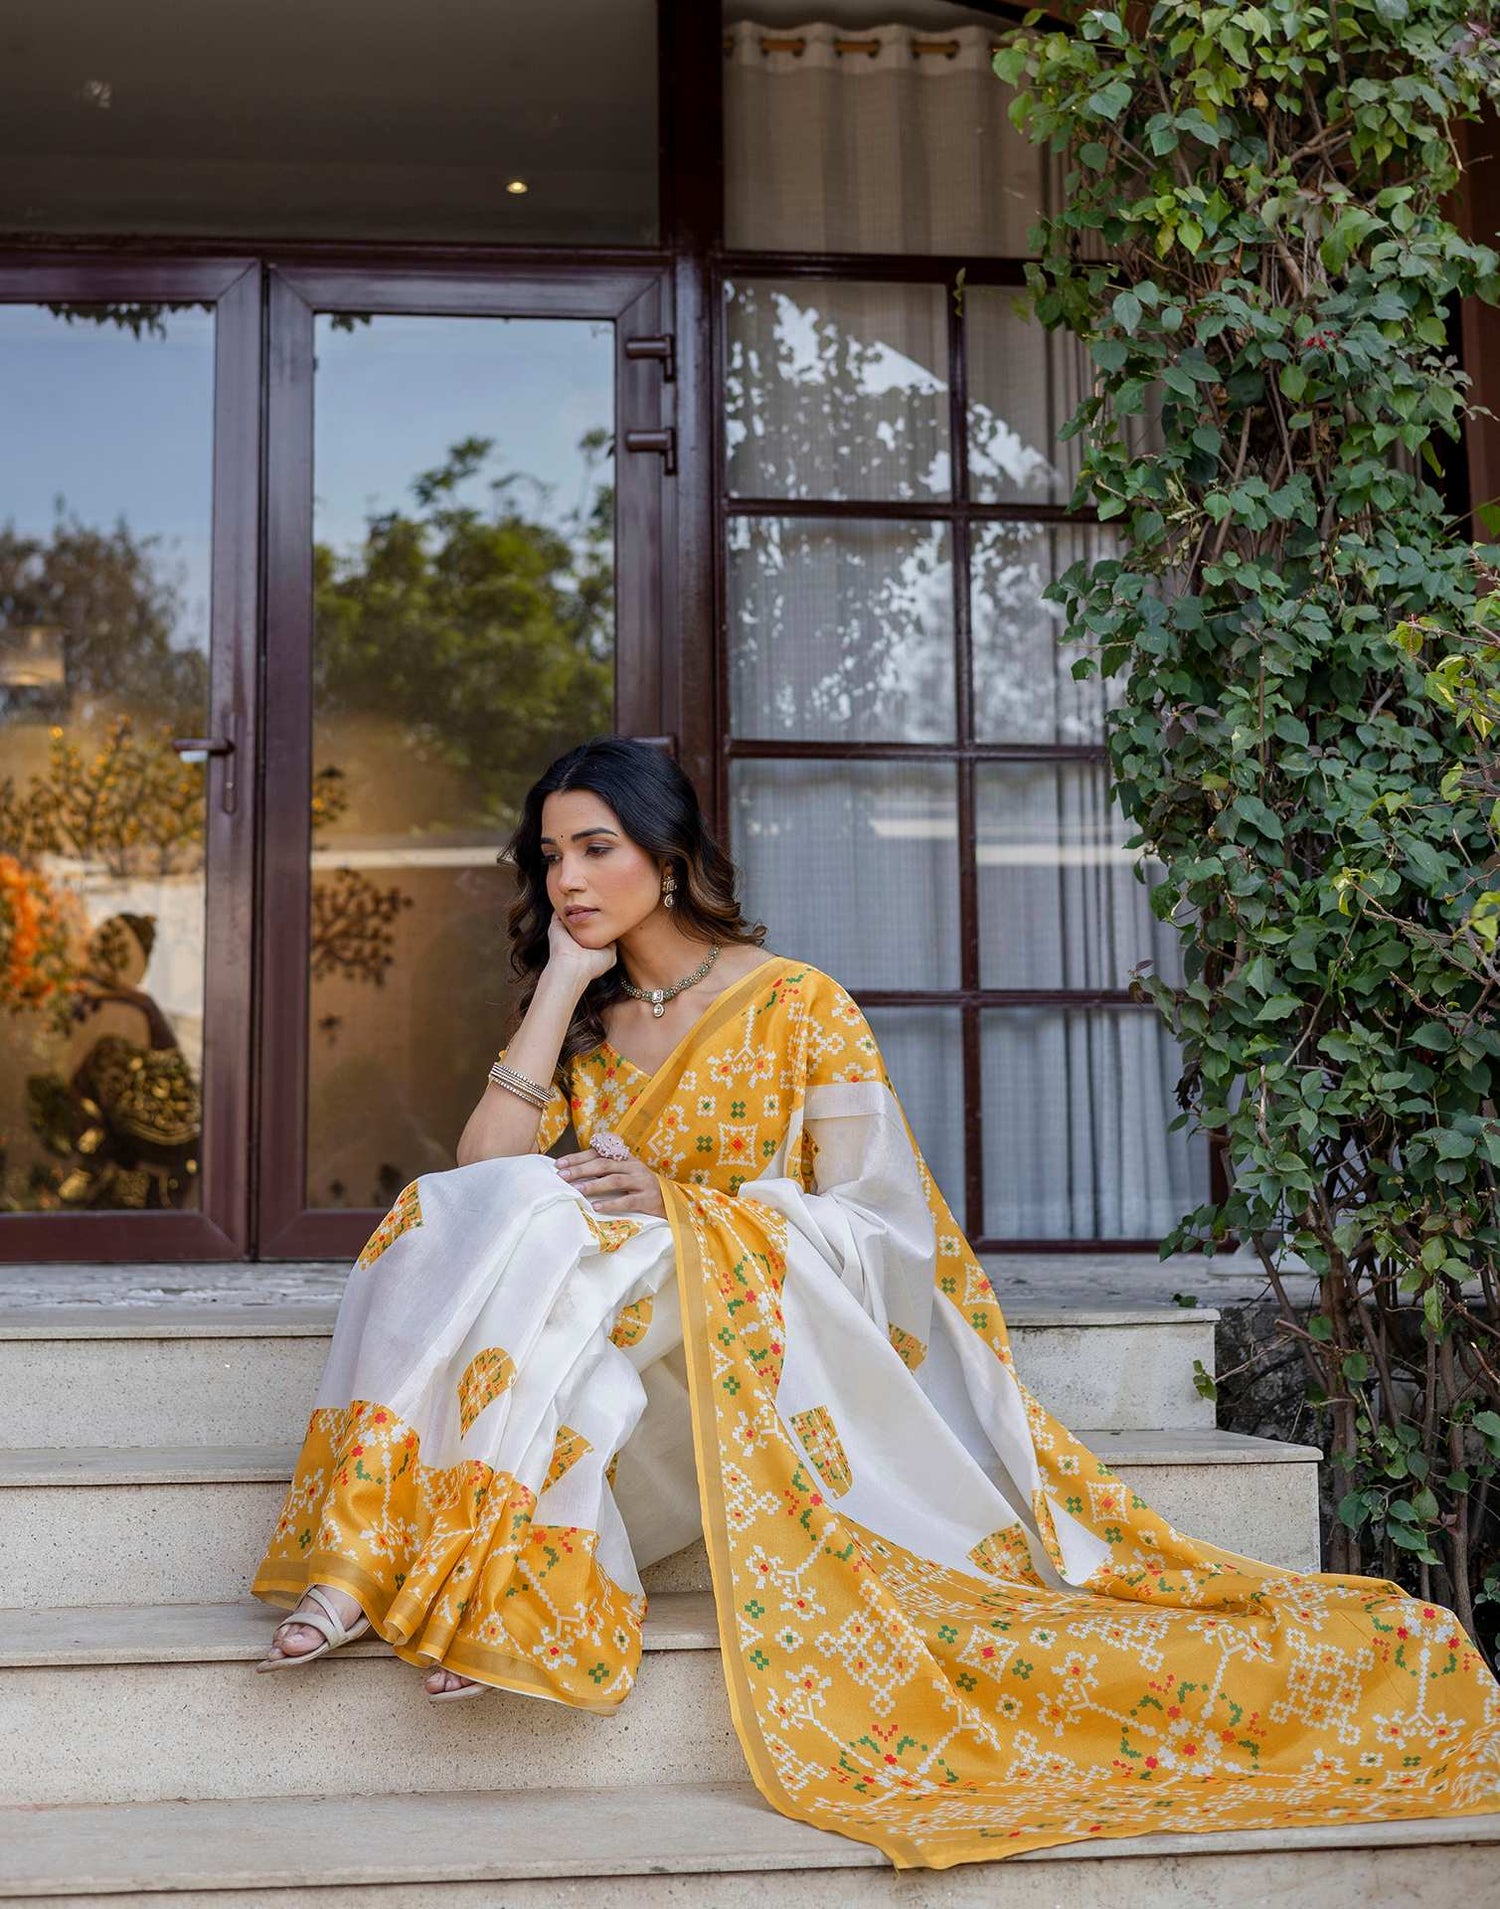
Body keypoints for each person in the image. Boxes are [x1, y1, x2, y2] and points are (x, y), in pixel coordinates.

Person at [252, 734, 1500, 1869]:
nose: (568, 877)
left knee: (592, 1275)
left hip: (777, 1344)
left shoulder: (799, 1006)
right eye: (550, 857)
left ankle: (480, 1570)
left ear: (667, 855)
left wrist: (682, 1207)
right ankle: (448, 1564)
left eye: (597, 848)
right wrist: (555, 991)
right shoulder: (584, 1037)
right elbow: (481, 1186)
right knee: (466, 1218)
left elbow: (876, 1226)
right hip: (622, 1344)